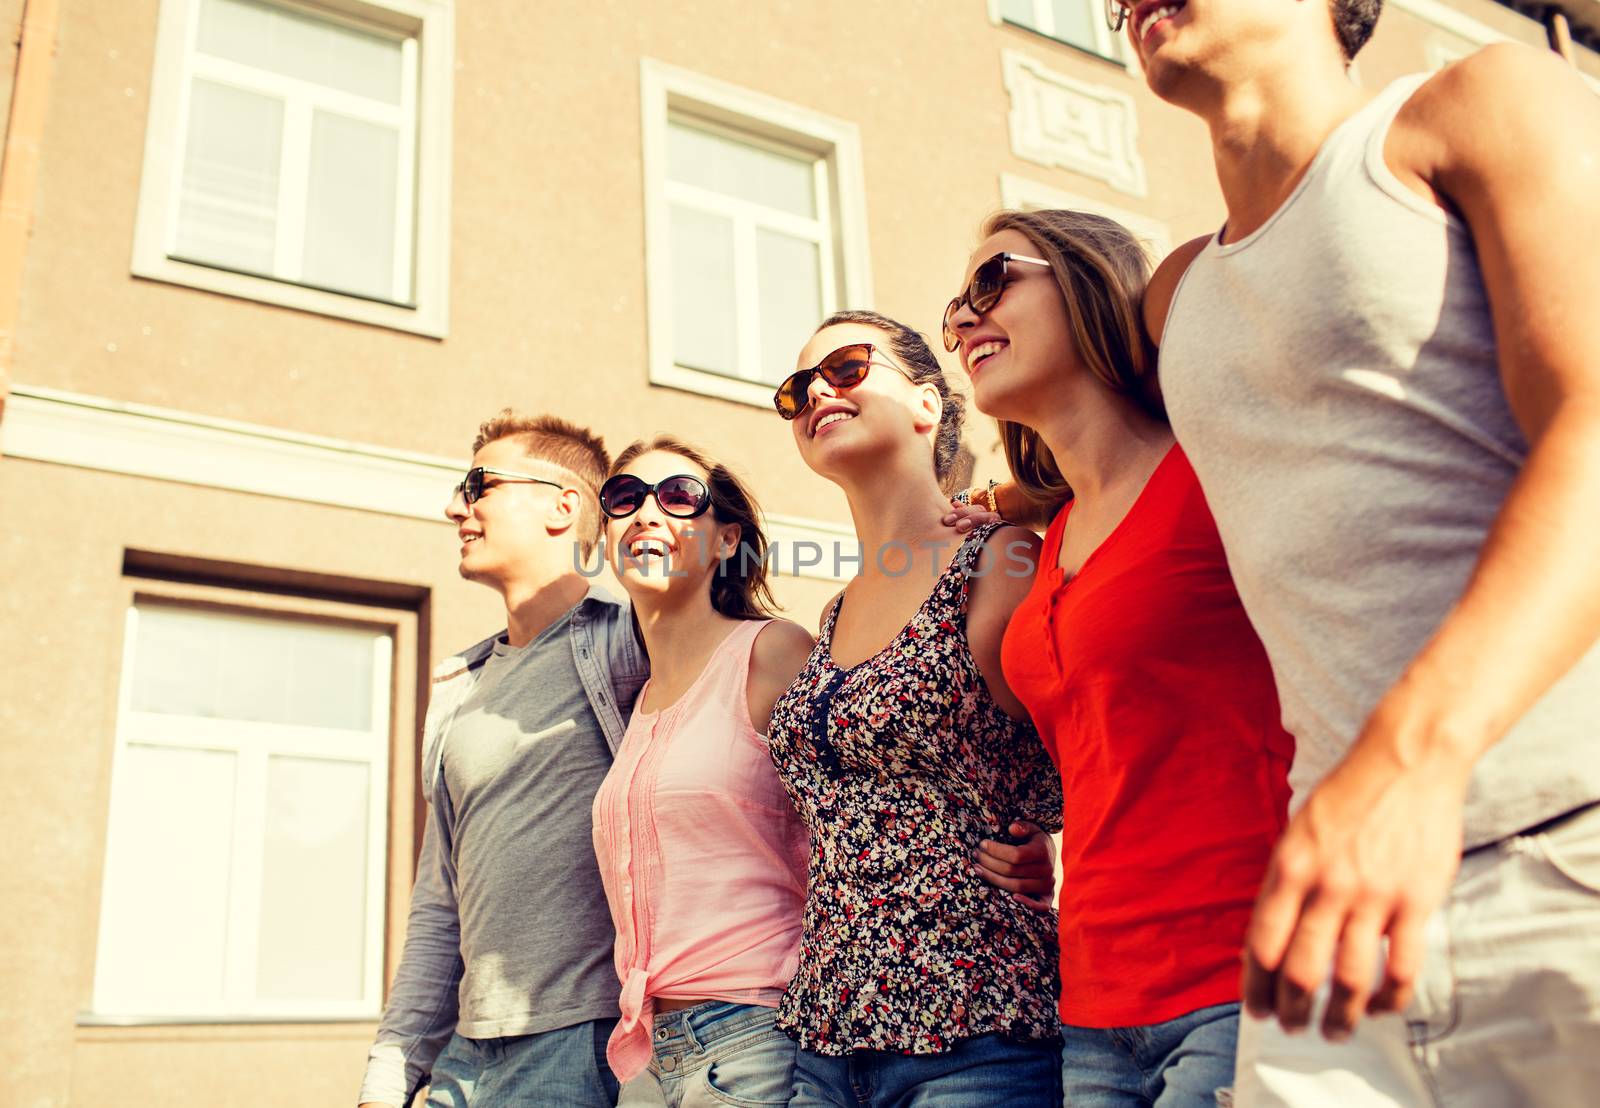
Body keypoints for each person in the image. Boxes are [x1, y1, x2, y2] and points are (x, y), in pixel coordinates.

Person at [1117, 0, 1600, 1097]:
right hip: (1331, 918)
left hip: (1565, 846)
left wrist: (1407, 763)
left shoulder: (1477, 103)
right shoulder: (1176, 294)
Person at [942, 207, 1294, 1107]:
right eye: (956, 309)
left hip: (1247, 975)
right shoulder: (1046, 533)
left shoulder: (1217, 469)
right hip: (1094, 1002)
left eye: (993, 282)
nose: (964, 321)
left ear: (1091, 282)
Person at [765, 311, 1065, 1107]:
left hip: (976, 1026)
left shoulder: (999, 558)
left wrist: (1047, 850)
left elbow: (1091, 749)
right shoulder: (831, 614)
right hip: (826, 1033)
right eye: (798, 388)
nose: (817, 392)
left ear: (928, 403)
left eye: (849, 368)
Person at [358, 412, 645, 1108]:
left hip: (578, 1048)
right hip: (464, 1056)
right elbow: (439, 903)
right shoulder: (461, 687)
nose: (456, 506)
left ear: (562, 505)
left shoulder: (631, 643)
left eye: (478, 484)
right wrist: (391, 1071)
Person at [590, 436, 815, 1107]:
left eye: (679, 498)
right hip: (648, 1052)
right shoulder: (635, 703)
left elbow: (857, 818)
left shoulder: (773, 652)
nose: (647, 515)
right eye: (625, 498)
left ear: (724, 540)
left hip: (754, 1035)